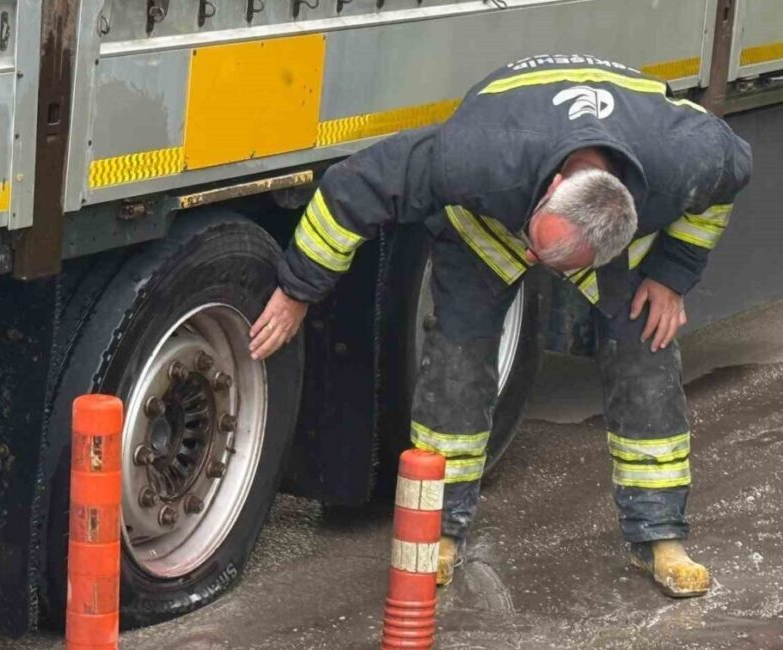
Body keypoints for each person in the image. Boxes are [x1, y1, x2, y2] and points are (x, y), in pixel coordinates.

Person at [248, 54, 752, 598]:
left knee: (646, 354)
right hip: (485, 227)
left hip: (601, 230)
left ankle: (660, 537)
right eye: (537, 245)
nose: (535, 262)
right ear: (553, 184)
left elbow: (725, 188)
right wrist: (298, 289)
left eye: (551, 261)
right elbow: (354, 188)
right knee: (457, 365)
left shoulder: (689, 160)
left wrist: (672, 275)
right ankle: (438, 531)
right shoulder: (477, 155)